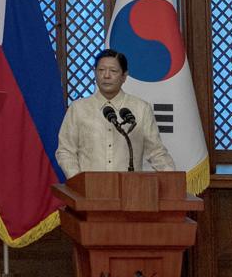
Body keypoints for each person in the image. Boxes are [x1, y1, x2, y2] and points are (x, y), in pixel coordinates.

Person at [55, 49, 174, 179]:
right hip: (88, 192)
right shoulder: (78, 109)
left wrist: (172, 179)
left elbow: (156, 152)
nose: (106, 76)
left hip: (131, 191)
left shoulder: (141, 109)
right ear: (95, 73)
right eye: (101, 70)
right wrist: (78, 180)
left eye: (113, 71)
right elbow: (65, 151)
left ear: (124, 76)